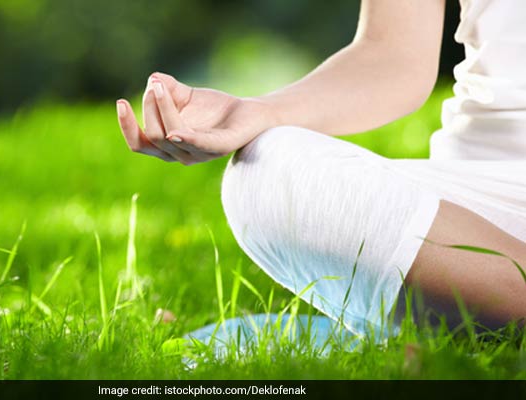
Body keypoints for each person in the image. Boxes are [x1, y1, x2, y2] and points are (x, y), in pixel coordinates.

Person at [116, 0, 526, 342]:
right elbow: (392, 52)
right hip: (477, 204)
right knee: (267, 169)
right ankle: (481, 303)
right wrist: (254, 114)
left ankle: (470, 317)